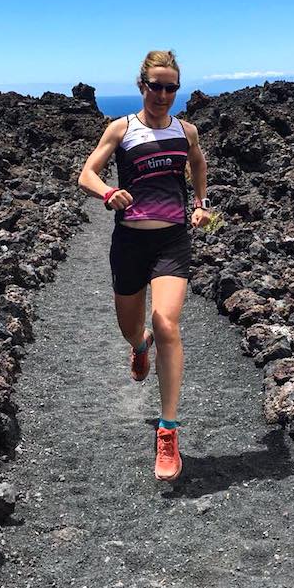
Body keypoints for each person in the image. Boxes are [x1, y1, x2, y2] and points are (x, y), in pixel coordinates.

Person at [78, 50, 211, 481]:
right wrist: (108, 193)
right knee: (133, 327)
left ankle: (168, 431)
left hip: (172, 240)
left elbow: (197, 162)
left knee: (167, 322)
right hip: (130, 241)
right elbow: (87, 173)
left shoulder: (185, 130)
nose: (164, 94)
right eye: (156, 85)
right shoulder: (122, 128)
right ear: (142, 86)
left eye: (171, 86)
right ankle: (139, 346)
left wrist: (201, 203)